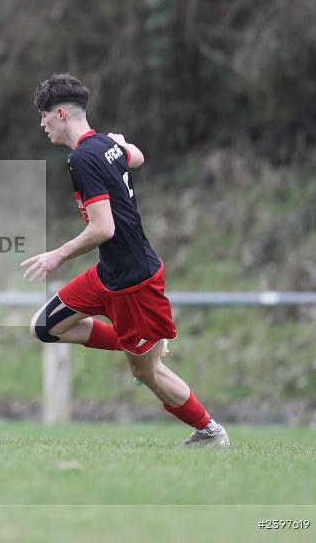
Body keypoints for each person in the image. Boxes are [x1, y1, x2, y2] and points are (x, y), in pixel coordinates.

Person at [22, 73, 230, 448]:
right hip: (108, 275)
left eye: (45, 115)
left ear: (63, 115)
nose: (42, 124)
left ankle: (210, 432)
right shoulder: (103, 144)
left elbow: (104, 228)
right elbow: (137, 156)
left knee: (147, 373)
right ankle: (136, 342)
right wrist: (120, 144)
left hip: (135, 281)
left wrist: (58, 255)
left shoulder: (83, 157)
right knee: (44, 326)